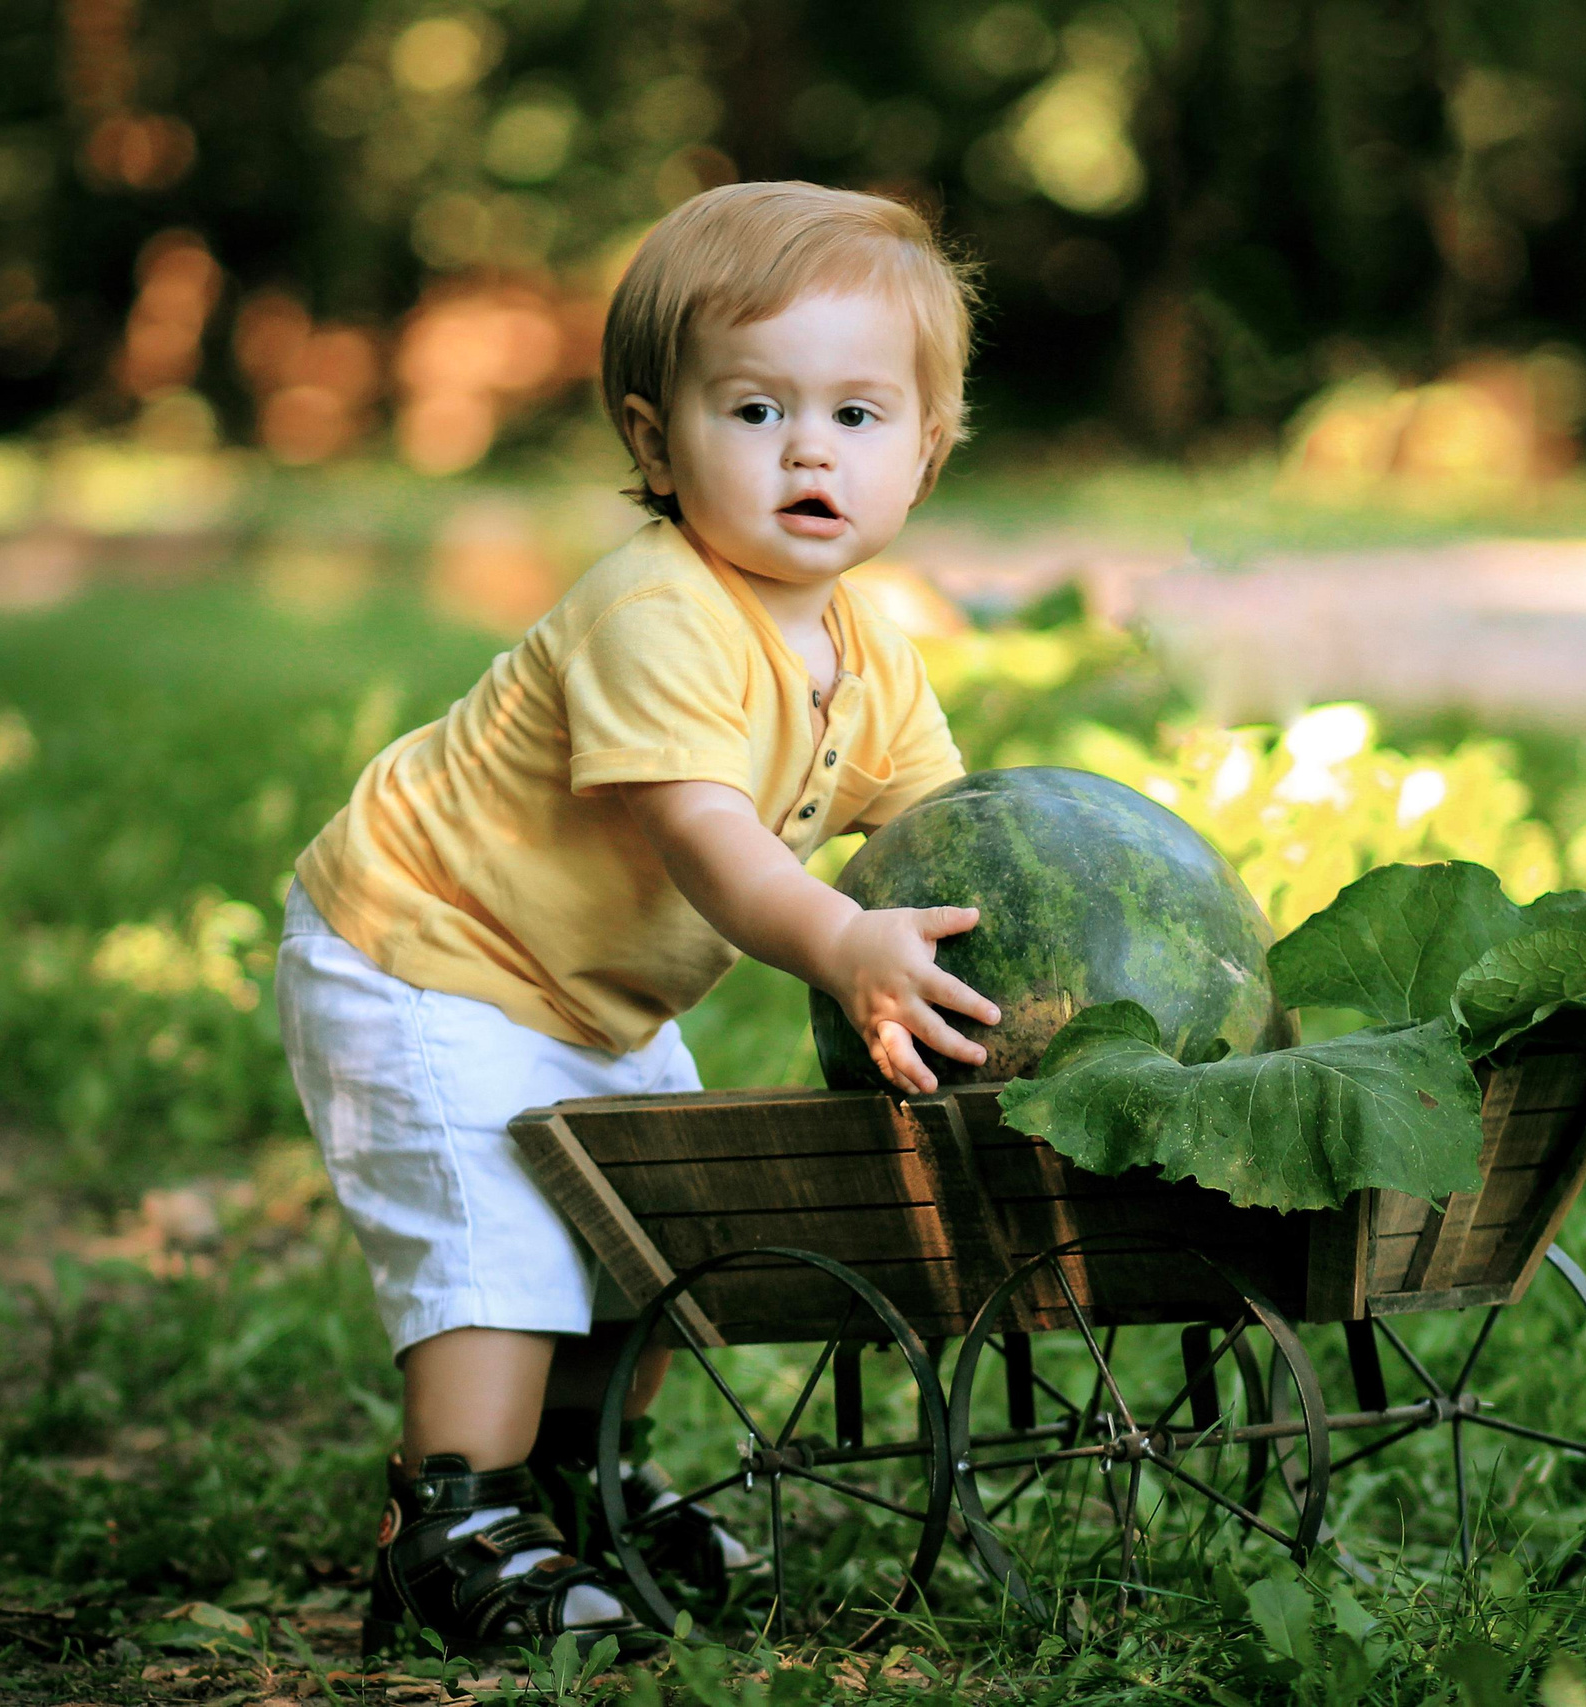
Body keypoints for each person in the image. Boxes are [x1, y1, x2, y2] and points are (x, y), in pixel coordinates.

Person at [275, 180, 1001, 1656]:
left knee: (645, 1237)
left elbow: (951, 834)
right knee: (498, 1250)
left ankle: (578, 1483)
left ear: (927, 452)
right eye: (756, 410)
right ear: (657, 442)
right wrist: (844, 947)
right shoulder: (656, 611)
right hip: (428, 952)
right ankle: (453, 1526)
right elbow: (711, 843)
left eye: (858, 416)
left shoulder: (871, 654)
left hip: (594, 996)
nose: (809, 448)